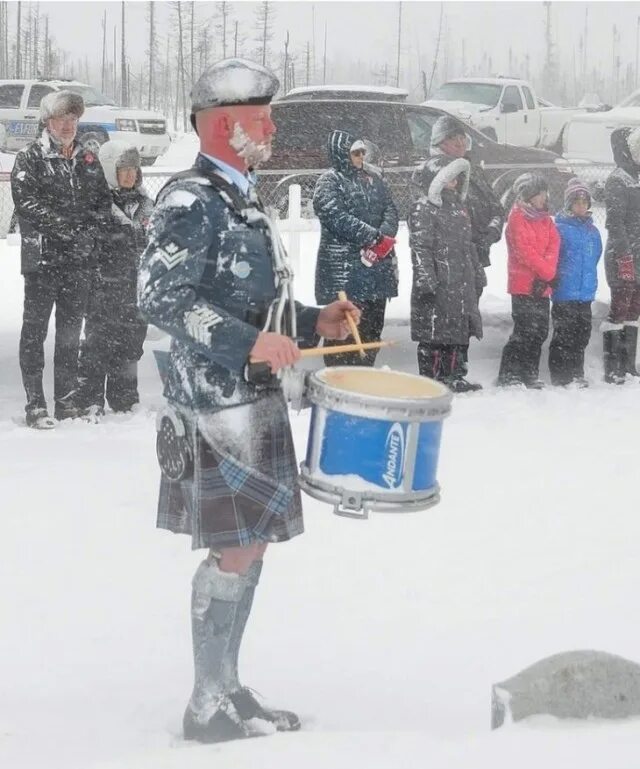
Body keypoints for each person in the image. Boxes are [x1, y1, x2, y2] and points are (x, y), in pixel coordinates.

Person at [138, 58, 360, 744]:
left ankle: (227, 684)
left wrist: (312, 318)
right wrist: (245, 344)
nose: (272, 126)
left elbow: (246, 298)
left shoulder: (240, 194)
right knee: (236, 548)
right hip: (214, 402)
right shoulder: (189, 200)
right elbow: (161, 298)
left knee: (252, 543)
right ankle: (207, 701)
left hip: (246, 395)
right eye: (262, 116)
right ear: (224, 124)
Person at [11, 90, 112, 428]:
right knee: (34, 333)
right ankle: (36, 405)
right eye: (62, 118)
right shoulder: (29, 157)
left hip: (78, 264)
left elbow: (102, 202)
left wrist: (89, 234)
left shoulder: (88, 158)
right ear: (47, 121)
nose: (68, 125)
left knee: (70, 334)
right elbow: (28, 204)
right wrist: (69, 231)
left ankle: (66, 402)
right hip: (42, 262)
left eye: (73, 119)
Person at [76, 141, 152, 417]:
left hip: (136, 288)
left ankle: (124, 398)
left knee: (131, 344)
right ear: (110, 171)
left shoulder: (145, 205)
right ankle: (89, 399)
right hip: (104, 288)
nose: (131, 175)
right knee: (99, 344)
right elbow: (86, 247)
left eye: (134, 169)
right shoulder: (98, 204)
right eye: (124, 169)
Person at [313, 130, 398, 366]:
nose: (361, 157)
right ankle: (339, 381)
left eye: (363, 152)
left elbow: (391, 209)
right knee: (343, 334)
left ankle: (364, 377)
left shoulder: (374, 179)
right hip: (345, 273)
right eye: (355, 152)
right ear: (341, 153)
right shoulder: (329, 182)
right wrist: (373, 236)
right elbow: (336, 217)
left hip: (377, 271)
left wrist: (384, 236)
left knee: (371, 331)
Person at [409, 154, 485, 392]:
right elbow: (421, 246)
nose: (455, 183)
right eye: (450, 178)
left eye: (456, 179)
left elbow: (467, 245)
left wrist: (477, 271)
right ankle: (431, 378)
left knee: (458, 330)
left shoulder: (459, 209)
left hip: (460, 281)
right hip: (439, 281)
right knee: (434, 332)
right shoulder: (424, 208)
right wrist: (426, 278)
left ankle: (454, 375)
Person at [497, 173, 560, 388]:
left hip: (542, 286)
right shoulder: (517, 218)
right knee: (524, 330)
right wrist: (548, 273)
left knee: (539, 331)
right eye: (540, 194)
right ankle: (510, 373)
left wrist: (548, 274)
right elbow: (525, 252)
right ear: (529, 195)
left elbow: (554, 245)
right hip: (523, 285)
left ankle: (529, 371)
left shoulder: (546, 220)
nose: (544, 198)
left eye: (545, 194)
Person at [548, 178, 602, 387]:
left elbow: (595, 255)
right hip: (565, 293)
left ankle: (576, 371)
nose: (581, 206)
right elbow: (554, 257)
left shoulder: (593, 232)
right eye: (576, 202)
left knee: (582, 333)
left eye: (584, 202)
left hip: (585, 294)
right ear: (569, 204)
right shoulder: (560, 229)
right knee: (564, 334)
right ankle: (561, 375)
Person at [602, 126, 640, 384]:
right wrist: (625, 257)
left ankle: (628, 364)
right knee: (620, 308)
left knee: (634, 309)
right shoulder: (617, 180)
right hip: (622, 255)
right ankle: (612, 366)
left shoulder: (636, 177)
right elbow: (616, 224)